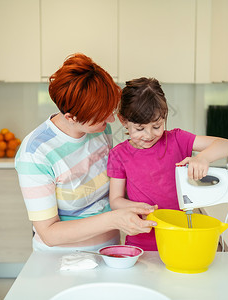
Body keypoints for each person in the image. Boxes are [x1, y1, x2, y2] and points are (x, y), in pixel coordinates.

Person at [15, 54, 157, 252]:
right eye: (101, 117)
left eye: (110, 110)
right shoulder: (36, 153)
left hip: (110, 249)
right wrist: (112, 219)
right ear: (71, 117)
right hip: (62, 258)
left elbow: (112, 187)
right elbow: (49, 233)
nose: (110, 120)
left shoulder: (100, 130)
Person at [107, 77, 228, 251]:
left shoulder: (177, 140)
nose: (149, 134)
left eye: (157, 126)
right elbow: (115, 200)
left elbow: (225, 144)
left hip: (180, 241)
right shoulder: (119, 155)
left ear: (164, 117)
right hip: (140, 244)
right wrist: (137, 207)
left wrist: (202, 158)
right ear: (123, 121)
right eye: (139, 128)